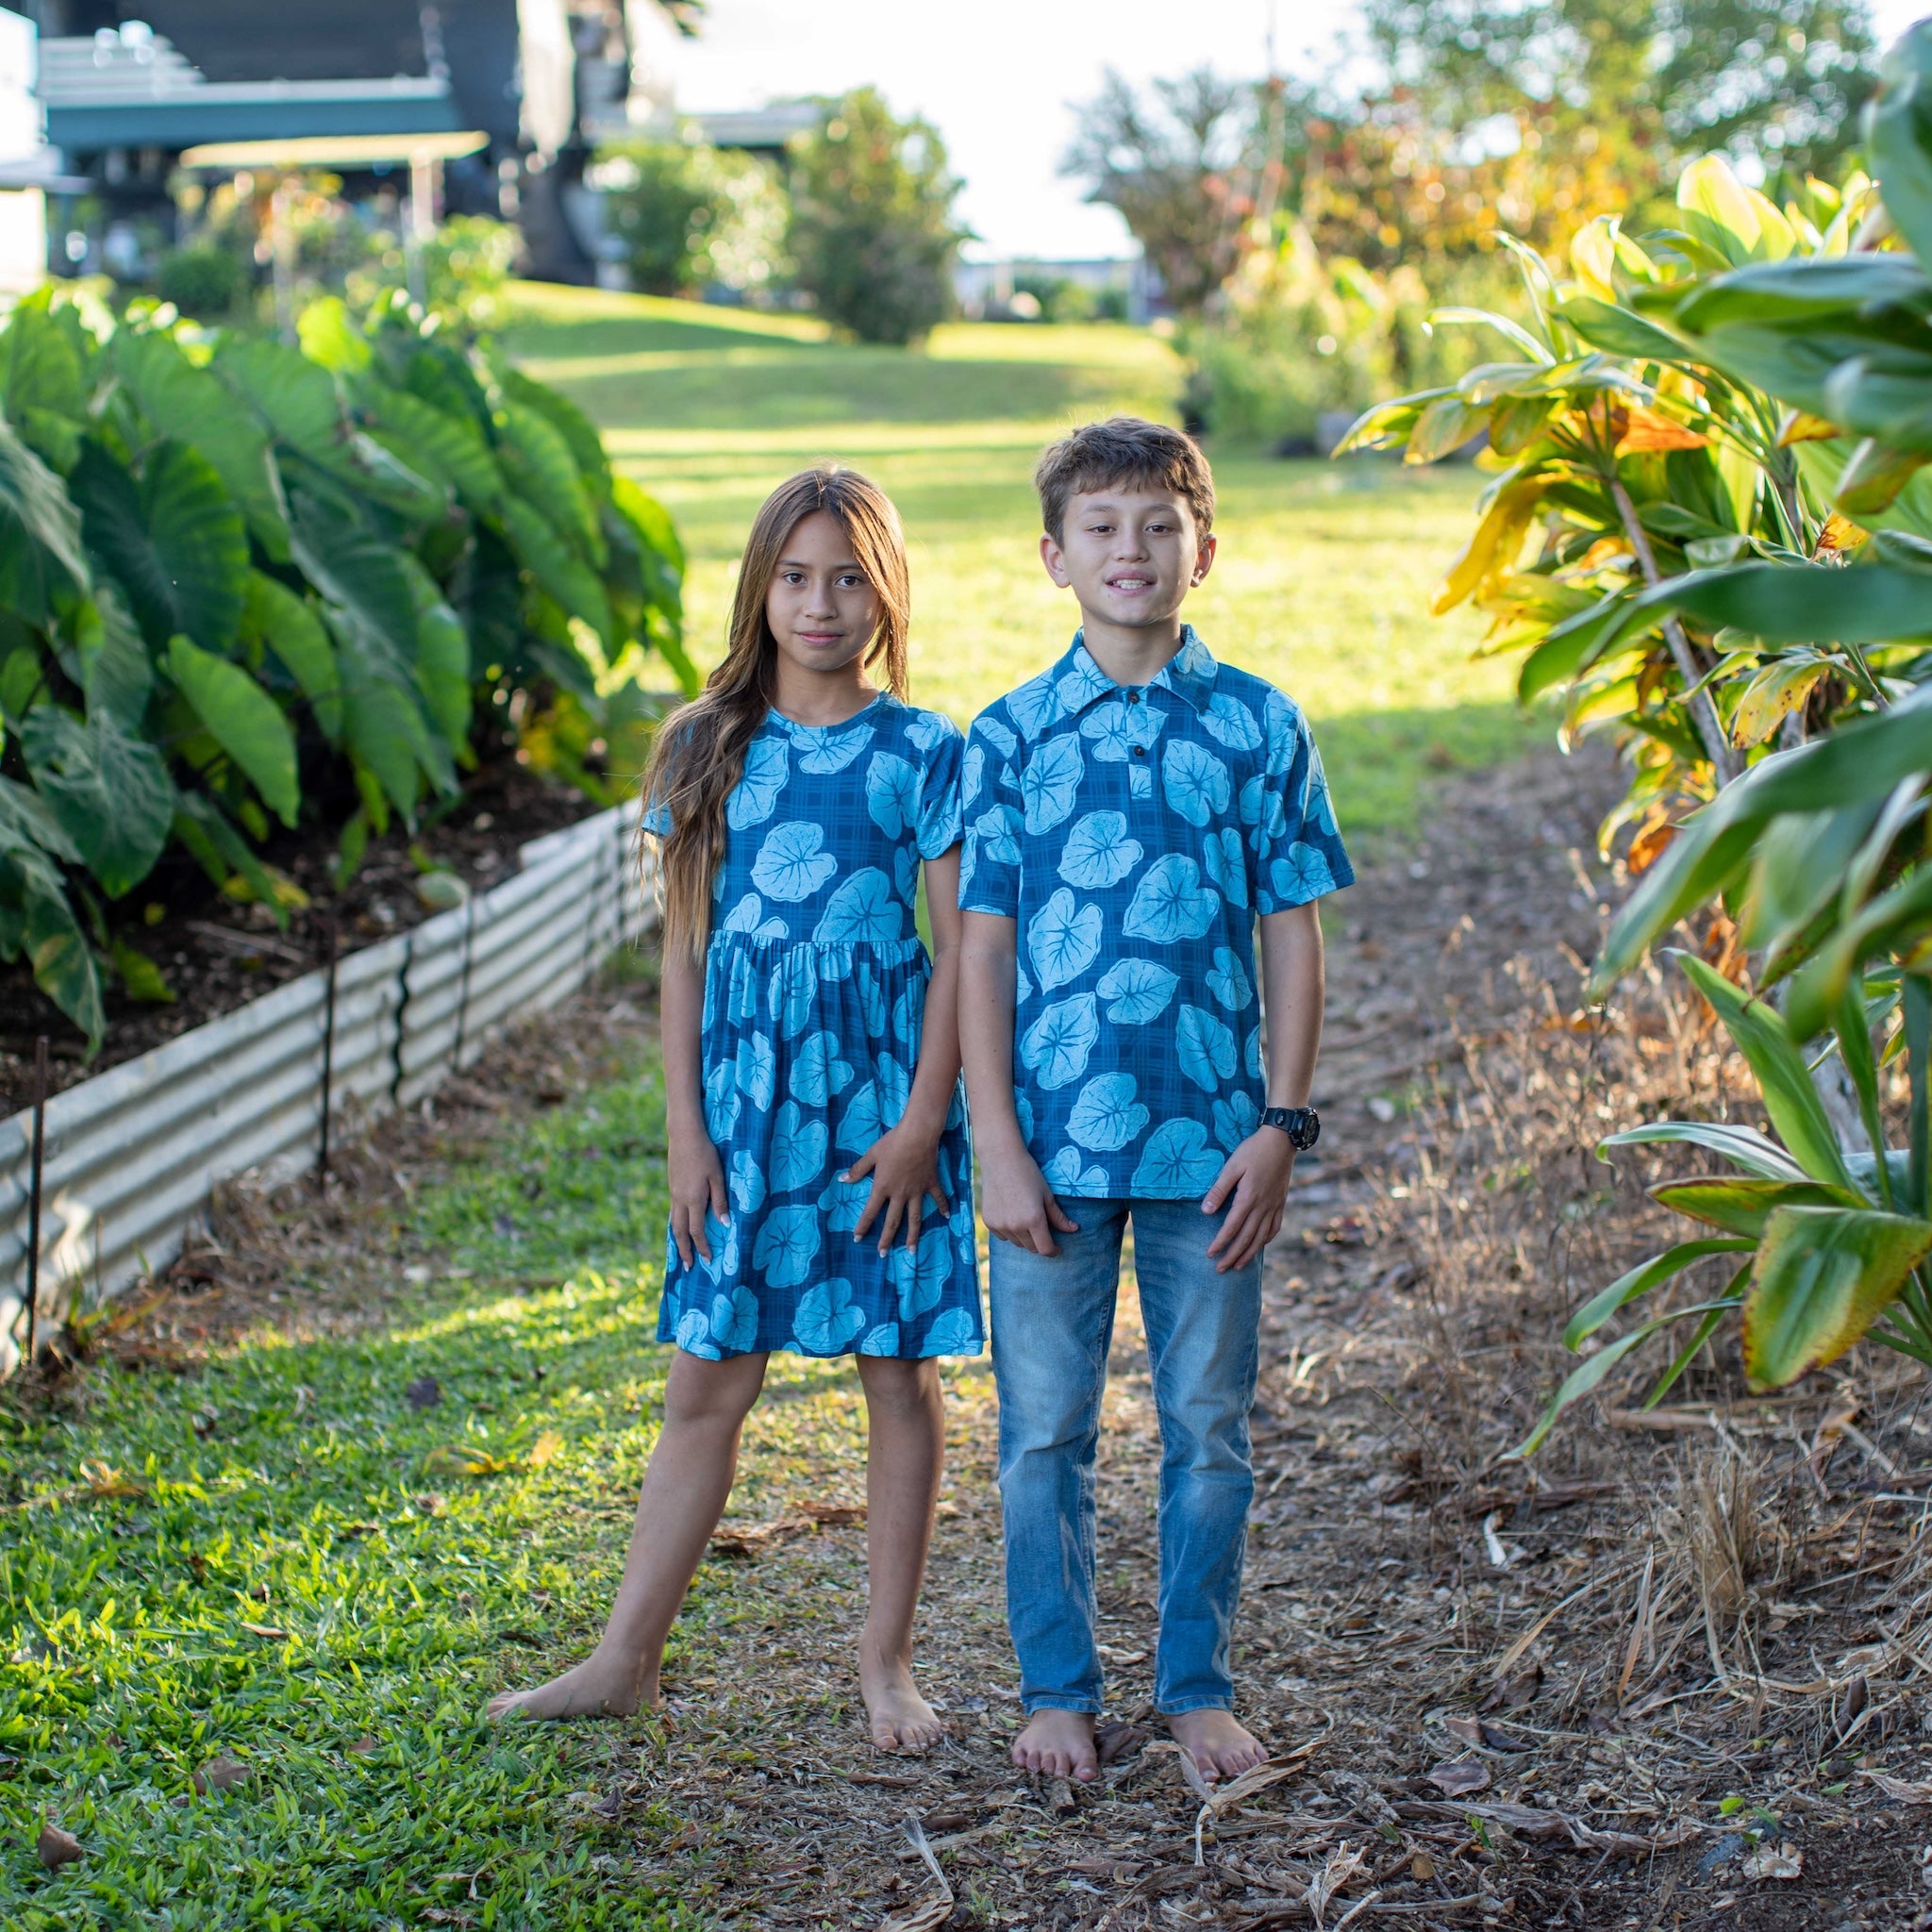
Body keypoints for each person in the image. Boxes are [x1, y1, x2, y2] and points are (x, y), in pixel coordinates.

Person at [489, 465, 979, 1752]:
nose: (822, 604)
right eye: (796, 577)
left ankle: (887, 1666)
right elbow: (685, 955)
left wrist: (929, 1120)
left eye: (850, 575)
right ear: (759, 588)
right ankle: (620, 1659)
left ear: (887, 589)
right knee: (704, 1382)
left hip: (885, 1112)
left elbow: (958, 954)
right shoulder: (707, 743)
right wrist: (686, 1135)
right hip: (745, 1114)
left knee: (899, 1378)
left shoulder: (928, 753)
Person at [957, 417, 1351, 1784]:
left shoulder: (1258, 725)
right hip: (1049, 1154)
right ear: (1054, 555)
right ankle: (1056, 1688)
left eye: (1161, 526)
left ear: (1206, 548)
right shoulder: (1005, 738)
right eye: (1105, 529)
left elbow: (1293, 930)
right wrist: (995, 1146)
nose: (1135, 551)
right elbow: (986, 950)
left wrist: (1282, 1126)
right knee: (1044, 1433)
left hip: (1214, 1153)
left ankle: (1195, 1687)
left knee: (1207, 1431)